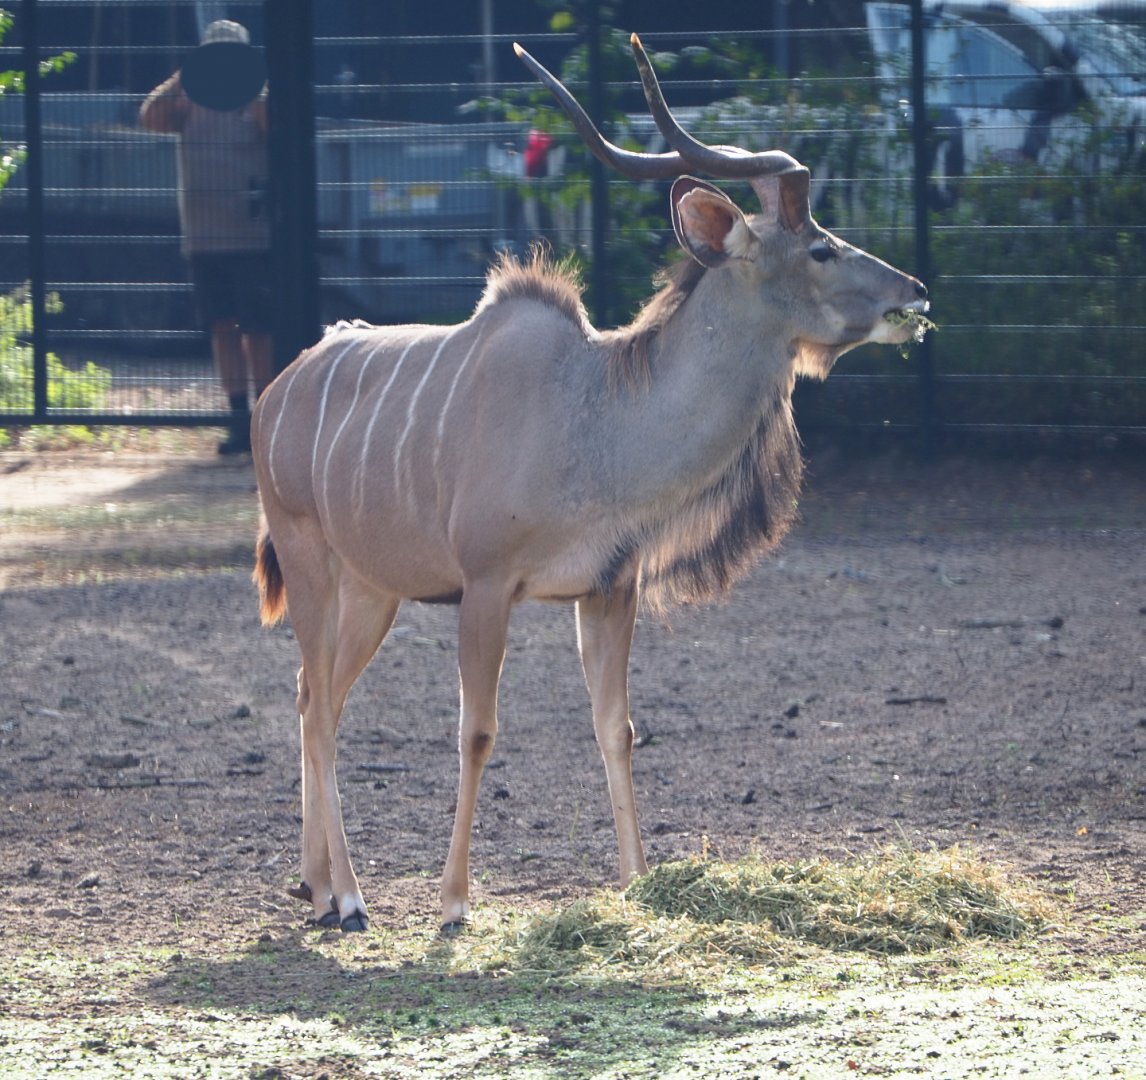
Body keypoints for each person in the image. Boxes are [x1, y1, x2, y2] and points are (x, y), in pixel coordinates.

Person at [140, 19, 273, 454]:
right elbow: (149, 118)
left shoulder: (258, 97)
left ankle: (267, 419)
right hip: (203, 237)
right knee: (223, 328)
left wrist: (250, 90)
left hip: (251, 238)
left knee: (258, 329)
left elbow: (280, 132)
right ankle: (237, 418)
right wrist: (187, 75)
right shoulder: (188, 100)